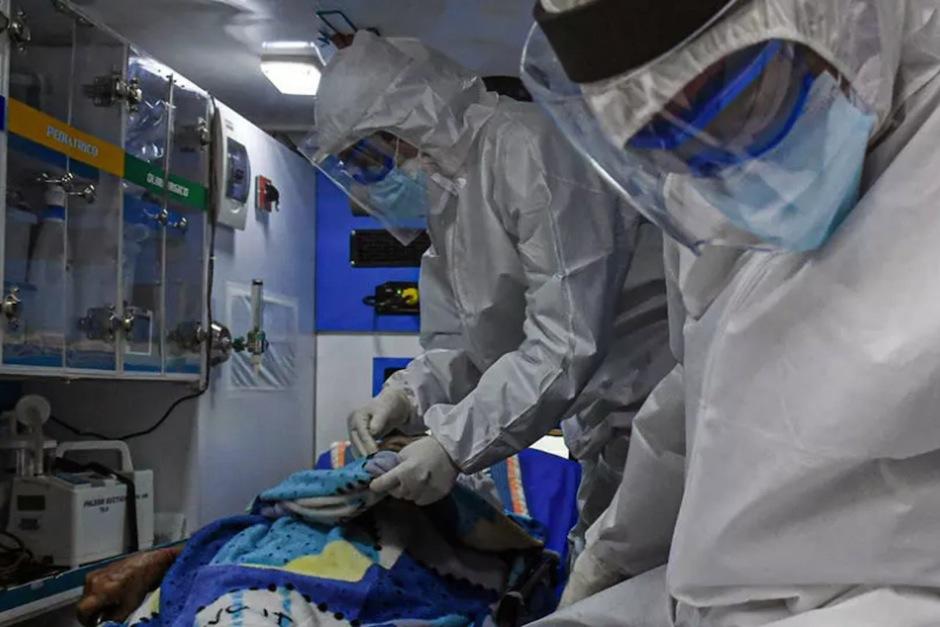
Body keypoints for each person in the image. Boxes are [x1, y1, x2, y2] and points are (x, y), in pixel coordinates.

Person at [520, 0, 940, 624]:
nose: (729, 164)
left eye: (733, 99)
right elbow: (703, 394)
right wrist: (616, 549)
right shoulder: (714, 195)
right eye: (666, 139)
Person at [310, 31, 674, 563]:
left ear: (411, 119)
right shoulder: (452, 195)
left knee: (646, 586)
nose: (370, 179)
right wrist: (409, 394)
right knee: (604, 576)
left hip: (655, 413)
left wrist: (454, 444)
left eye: (367, 157)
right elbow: (474, 343)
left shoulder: (529, 152)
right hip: (604, 424)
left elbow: (564, 341)